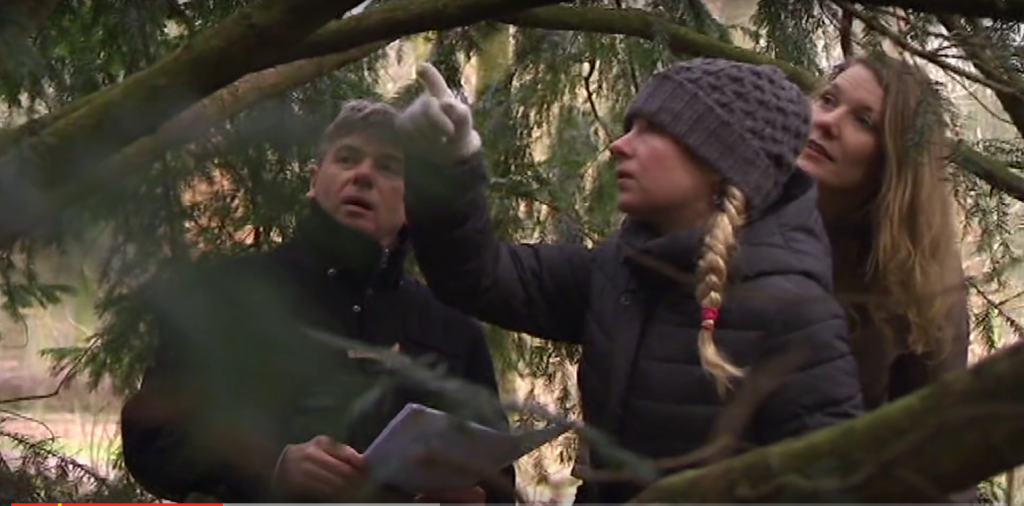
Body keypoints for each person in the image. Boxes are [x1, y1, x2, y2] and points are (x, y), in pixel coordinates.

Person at [397, 59, 864, 503]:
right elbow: (478, 277)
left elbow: (835, 489)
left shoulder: (794, 313)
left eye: (652, 131)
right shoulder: (621, 270)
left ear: (721, 161)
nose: (619, 145)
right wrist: (447, 167)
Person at [119, 99, 515, 504]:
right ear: (314, 180)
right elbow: (153, 438)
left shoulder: (450, 326)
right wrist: (274, 467)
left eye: (388, 167)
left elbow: (498, 477)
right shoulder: (225, 295)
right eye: (347, 158)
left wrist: (474, 499)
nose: (363, 175)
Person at [798, 54, 975, 501]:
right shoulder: (736, 217)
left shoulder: (922, 287)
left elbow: (937, 456)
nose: (828, 122)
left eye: (863, 121)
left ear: (893, 159)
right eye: (827, 100)